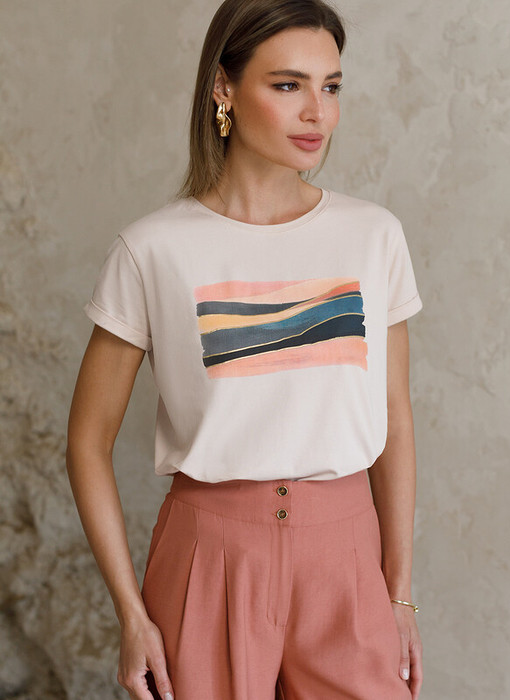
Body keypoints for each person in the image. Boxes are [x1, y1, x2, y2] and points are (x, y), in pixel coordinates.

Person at [66, 0, 424, 698]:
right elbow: (86, 440)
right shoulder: (153, 249)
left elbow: (397, 420)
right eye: (288, 85)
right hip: (208, 558)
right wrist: (131, 614)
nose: (317, 112)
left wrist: (400, 592)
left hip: (347, 557)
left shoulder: (373, 236)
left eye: (331, 86)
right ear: (223, 88)